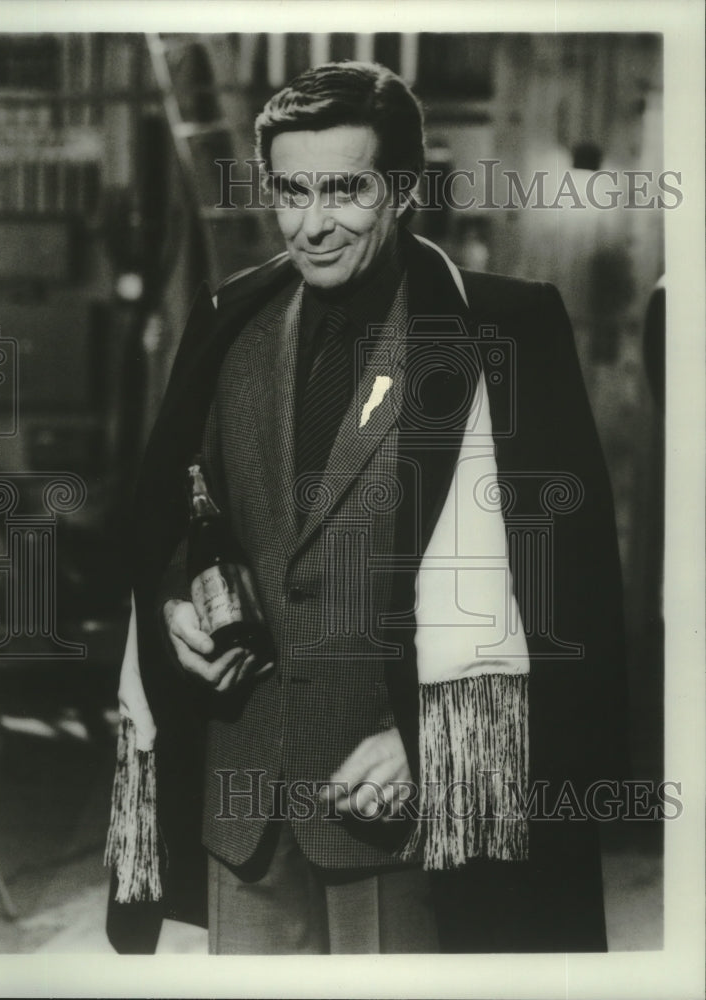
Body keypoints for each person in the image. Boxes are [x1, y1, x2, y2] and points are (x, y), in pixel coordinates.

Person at [105, 61, 627, 954]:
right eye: (292, 192)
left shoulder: (499, 329)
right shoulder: (228, 318)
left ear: (405, 190)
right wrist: (171, 610)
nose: (312, 225)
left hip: (400, 812)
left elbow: (568, 599)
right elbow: (183, 517)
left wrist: (429, 746)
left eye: (345, 190)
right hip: (246, 804)